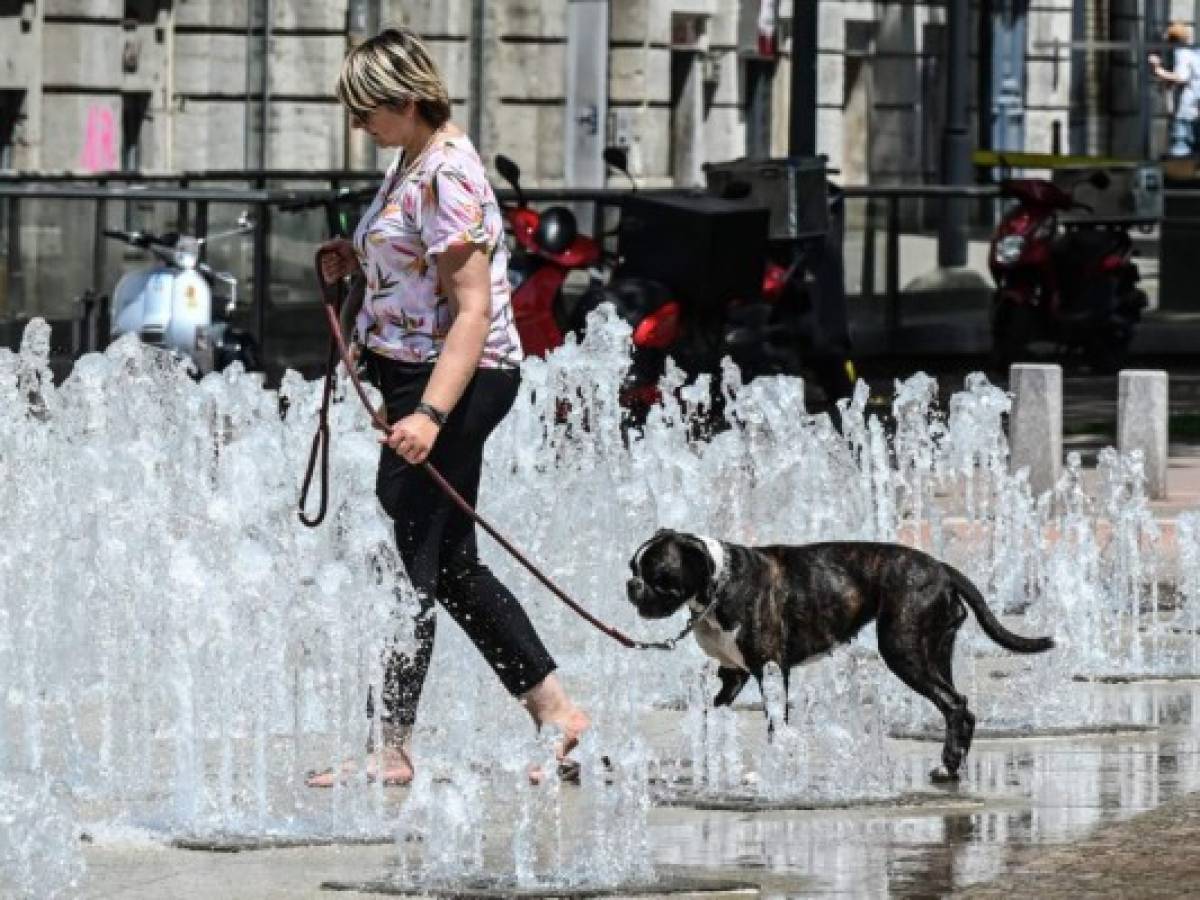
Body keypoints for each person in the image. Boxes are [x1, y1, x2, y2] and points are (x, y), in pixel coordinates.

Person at [307, 27, 589, 787]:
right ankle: (557, 714)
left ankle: (390, 747)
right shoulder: (412, 161)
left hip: (457, 382)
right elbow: (412, 267)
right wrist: (355, 259)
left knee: (411, 557)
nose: (358, 125)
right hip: (418, 377)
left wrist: (429, 416)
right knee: (449, 563)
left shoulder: (449, 175)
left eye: (367, 110)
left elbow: (470, 312)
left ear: (408, 98)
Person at [1149, 22, 1200, 157]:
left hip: (1186, 108)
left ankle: (1181, 174)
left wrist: (1157, 70)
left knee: (1181, 146)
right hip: (1195, 105)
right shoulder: (1195, 51)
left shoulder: (1182, 53)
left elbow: (1181, 77)